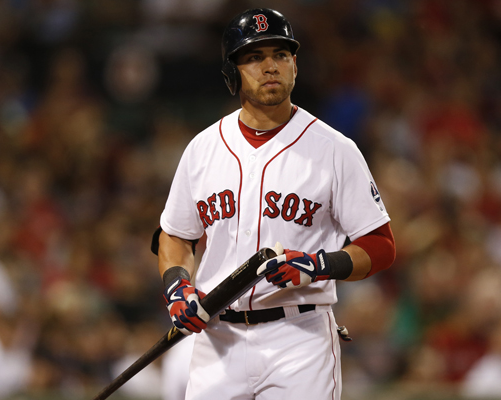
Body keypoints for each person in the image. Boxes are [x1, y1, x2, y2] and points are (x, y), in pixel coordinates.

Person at [151, 8, 396, 400]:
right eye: (253, 57)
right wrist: (178, 287)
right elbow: (175, 235)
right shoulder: (203, 148)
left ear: (295, 65)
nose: (269, 66)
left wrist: (318, 265)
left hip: (298, 339)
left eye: (280, 55)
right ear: (232, 71)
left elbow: (381, 246)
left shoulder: (335, 149)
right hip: (218, 339)